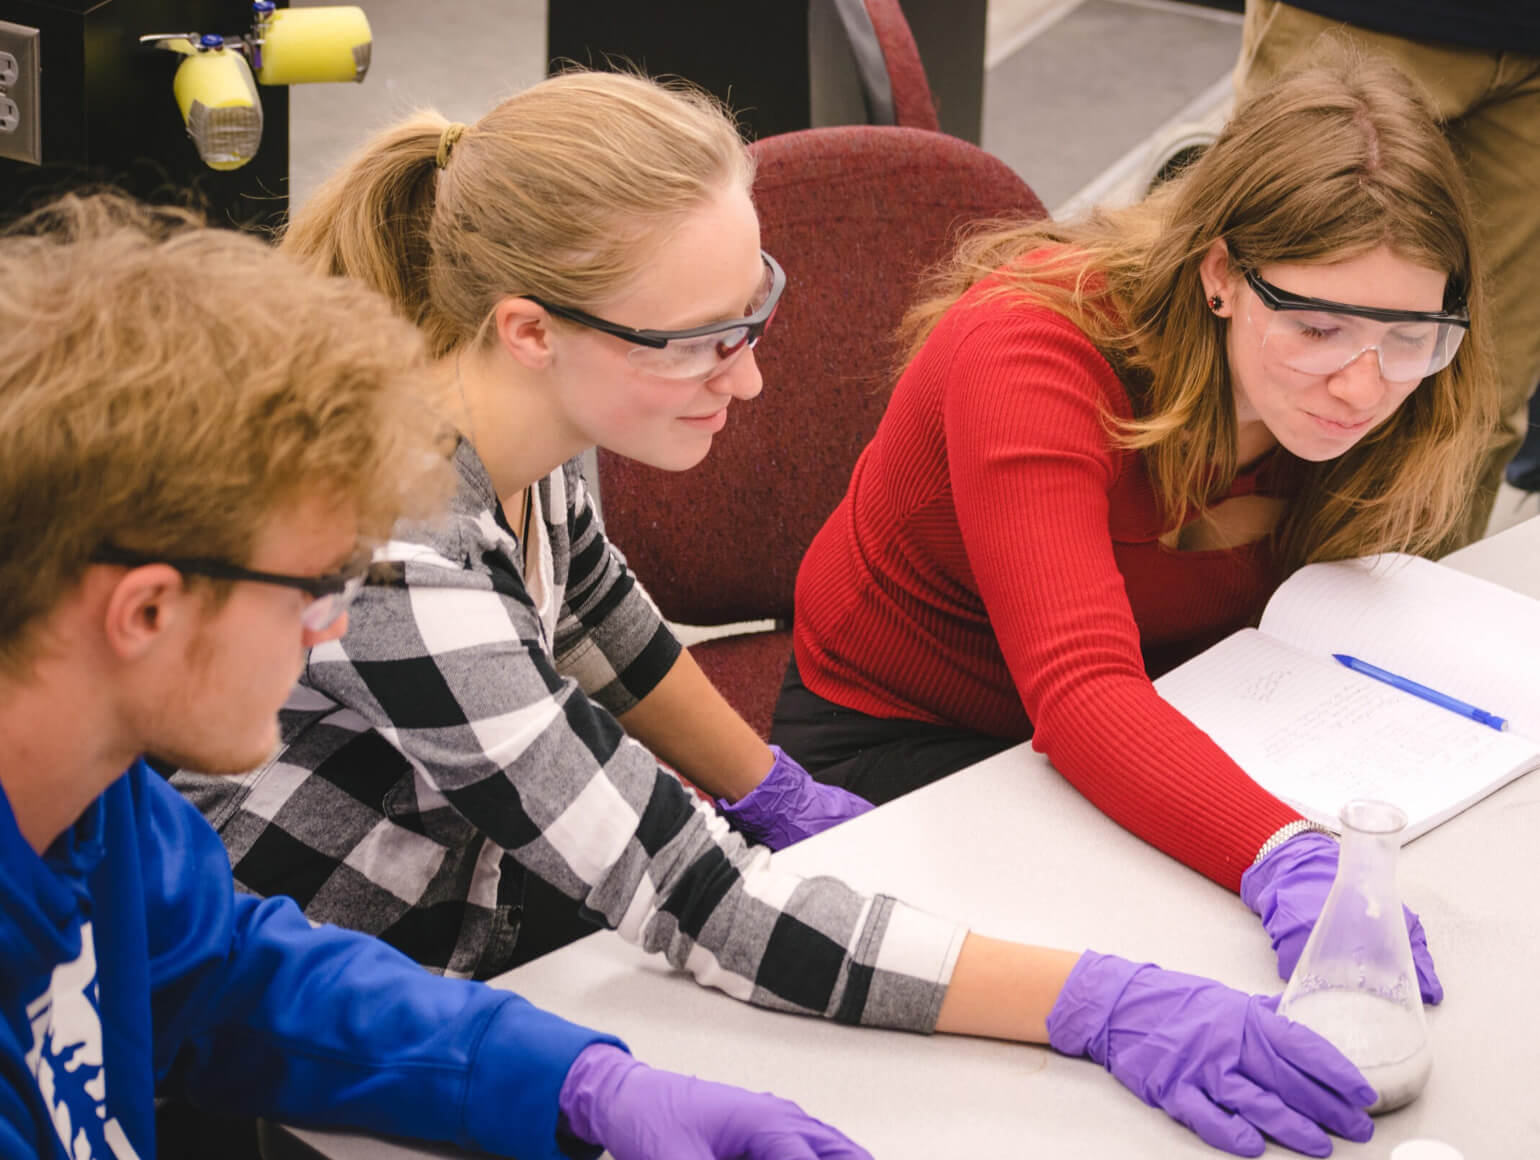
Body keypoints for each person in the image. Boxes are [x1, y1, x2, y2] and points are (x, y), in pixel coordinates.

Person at [165, 72, 1378, 1157]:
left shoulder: (521, 425)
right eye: (703, 344)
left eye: (754, 314)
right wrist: (1093, 1004)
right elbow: (699, 903)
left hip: (475, 922)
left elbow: (601, 621)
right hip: (304, 1015)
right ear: (529, 329)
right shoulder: (401, 546)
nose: (747, 376)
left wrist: (774, 792)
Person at [0, 192, 873, 1160]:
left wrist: (577, 1081)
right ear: (146, 611)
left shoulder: (98, 800)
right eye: (313, 585)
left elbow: (230, 973)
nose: (331, 624)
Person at [773, 54, 1492, 1009]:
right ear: (1221, 275)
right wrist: (1281, 853)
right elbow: (1077, 693)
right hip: (912, 739)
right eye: (1316, 328)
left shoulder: (1389, 378)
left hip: (1180, 709)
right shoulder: (1033, 347)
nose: (1364, 386)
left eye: (1410, 338)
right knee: (1177, 982)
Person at [1232, 1, 1540, 541]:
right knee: (1252, 376)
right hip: (1363, 18)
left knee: (1476, 409)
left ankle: (1392, 614)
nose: (1360, 391)